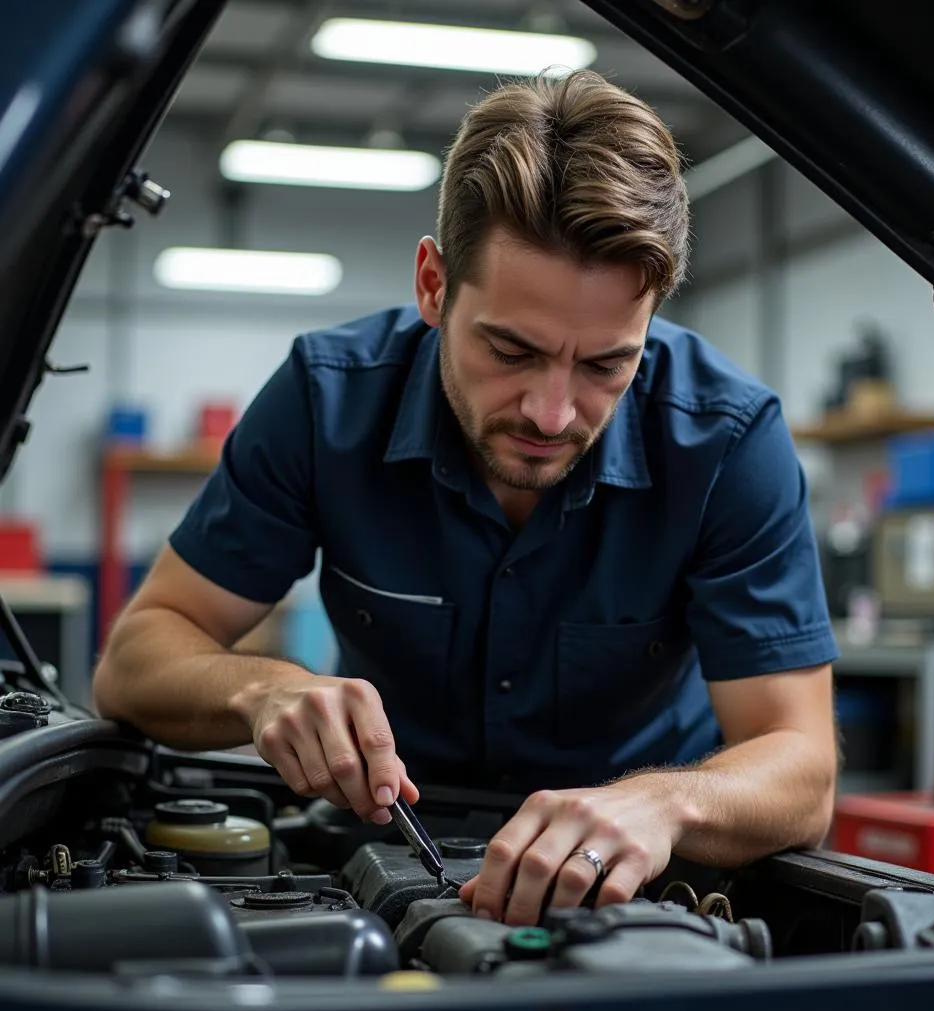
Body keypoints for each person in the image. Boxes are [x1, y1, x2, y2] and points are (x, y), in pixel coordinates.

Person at [93, 70, 840, 928]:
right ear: (433, 284)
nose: (552, 413)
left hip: (631, 886)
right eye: (512, 350)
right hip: (377, 860)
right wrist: (262, 691)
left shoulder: (726, 439)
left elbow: (802, 766)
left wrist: (664, 805)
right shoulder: (323, 400)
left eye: (606, 365)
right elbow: (135, 661)